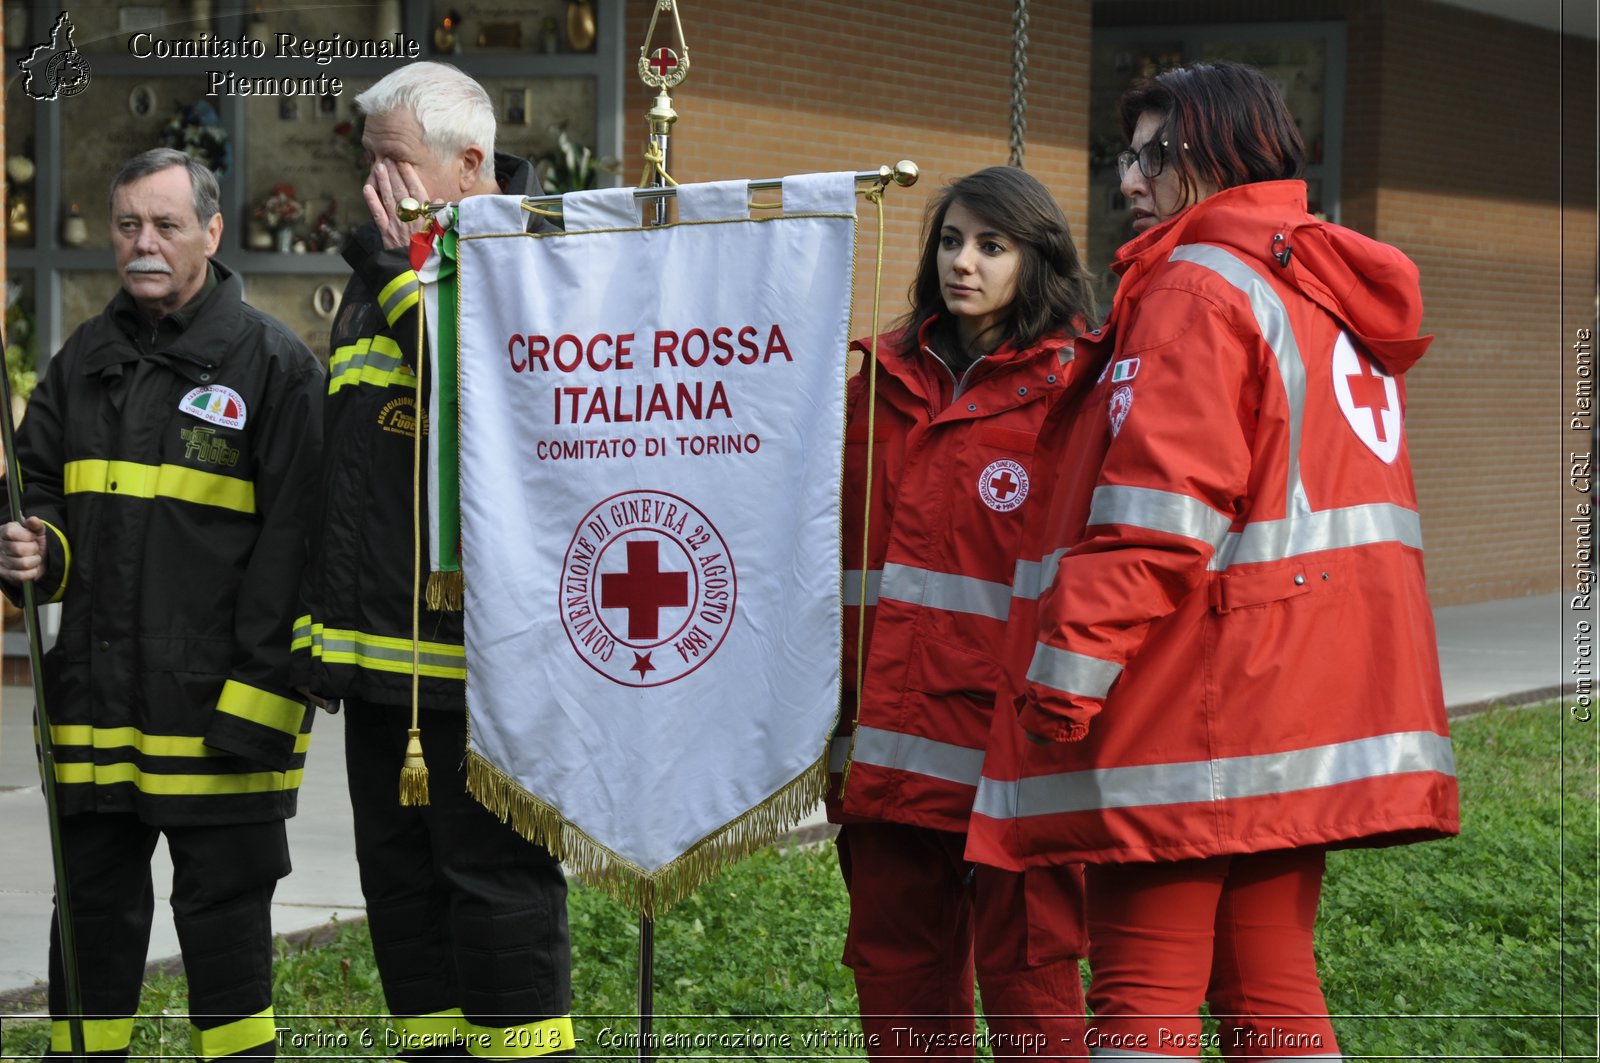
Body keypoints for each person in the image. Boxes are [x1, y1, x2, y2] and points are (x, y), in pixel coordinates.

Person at [967, 62, 1460, 1058]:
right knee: (1270, 985)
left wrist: (1062, 683)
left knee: (1141, 995)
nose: (1130, 182)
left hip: (1194, 706)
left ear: (1215, 154)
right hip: (1304, 698)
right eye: (1127, 156)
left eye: (1154, 156)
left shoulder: (1194, 286)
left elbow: (1158, 514)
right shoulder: (1316, 286)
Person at [0, 147, 323, 1058]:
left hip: (221, 728)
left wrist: (258, 715)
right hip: (95, 722)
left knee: (225, 950)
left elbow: (296, 561)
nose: (144, 243)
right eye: (129, 225)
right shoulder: (81, 361)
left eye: (167, 225)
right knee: (90, 934)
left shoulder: (275, 370)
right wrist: (32, 545)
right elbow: (35, 492)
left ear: (211, 234)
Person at [291, 62, 574, 1058]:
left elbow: (496, 406)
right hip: (380, 674)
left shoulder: (535, 258)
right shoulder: (379, 275)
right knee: (403, 902)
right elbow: (353, 468)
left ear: (467, 163)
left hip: (487, 674)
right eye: (366, 162)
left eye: (393, 163)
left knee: (498, 900)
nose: (371, 186)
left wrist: (396, 271)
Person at [828, 165, 1097, 1058]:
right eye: (950, 241)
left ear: (1038, 258)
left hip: (1014, 760)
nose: (964, 263)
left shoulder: (1076, 393)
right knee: (900, 994)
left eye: (991, 245)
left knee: (1035, 1000)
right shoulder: (880, 382)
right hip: (892, 758)